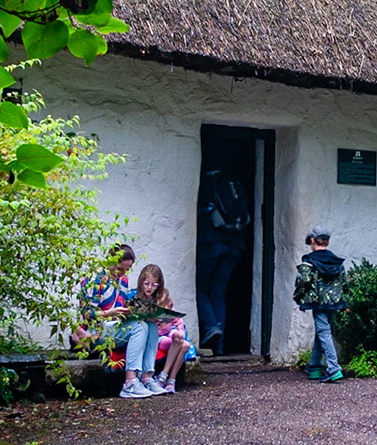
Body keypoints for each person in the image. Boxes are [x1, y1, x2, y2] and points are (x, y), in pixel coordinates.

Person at [196, 165, 252, 355]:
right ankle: (218, 348)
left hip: (212, 243)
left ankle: (211, 326)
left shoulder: (207, 182)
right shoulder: (234, 183)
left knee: (200, 288)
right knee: (218, 293)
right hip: (235, 245)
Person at [119, 263, 190, 399]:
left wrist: (171, 322)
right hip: (151, 335)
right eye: (146, 284)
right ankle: (157, 379)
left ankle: (160, 379)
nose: (149, 288)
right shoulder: (134, 296)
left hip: (162, 332)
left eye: (154, 285)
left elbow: (175, 319)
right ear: (141, 282)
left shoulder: (163, 297)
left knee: (181, 340)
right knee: (147, 326)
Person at [294, 226, 347, 383]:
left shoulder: (309, 261)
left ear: (312, 241)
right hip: (334, 303)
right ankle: (315, 366)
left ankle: (333, 368)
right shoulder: (336, 262)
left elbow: (303, 281)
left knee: (324, 333)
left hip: (318, 303)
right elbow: (344, 283)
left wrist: (298, 296)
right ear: (328, 242)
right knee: (322, 332)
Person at [72, 244, 136, 370]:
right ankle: (132, 378)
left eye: (126, 270)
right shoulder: (95, 280)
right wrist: (109, 313)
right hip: (94, 330)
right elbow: (87, 314)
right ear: (109, 261)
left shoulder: (123, 280)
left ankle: (147, 376)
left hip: (114, 327)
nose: (122, 273)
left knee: (148, 325)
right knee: (139, 328)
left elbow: (120, 307)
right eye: (119, 269)